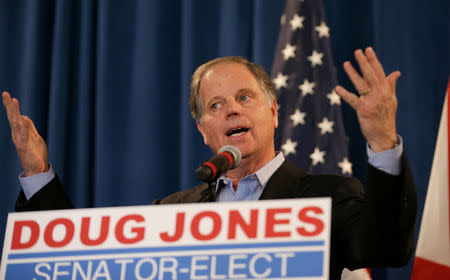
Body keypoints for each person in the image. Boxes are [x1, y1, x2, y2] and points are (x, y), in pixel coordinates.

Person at [2, 47, 417, 280]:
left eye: (245, 98)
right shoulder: (170, 213)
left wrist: (381, 141)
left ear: (274, 111)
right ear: (203, 130)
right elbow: (78, 268)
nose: (232, 111)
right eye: (215, 105)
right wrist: (39, 176)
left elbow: (385, 248)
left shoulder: (328, 197)